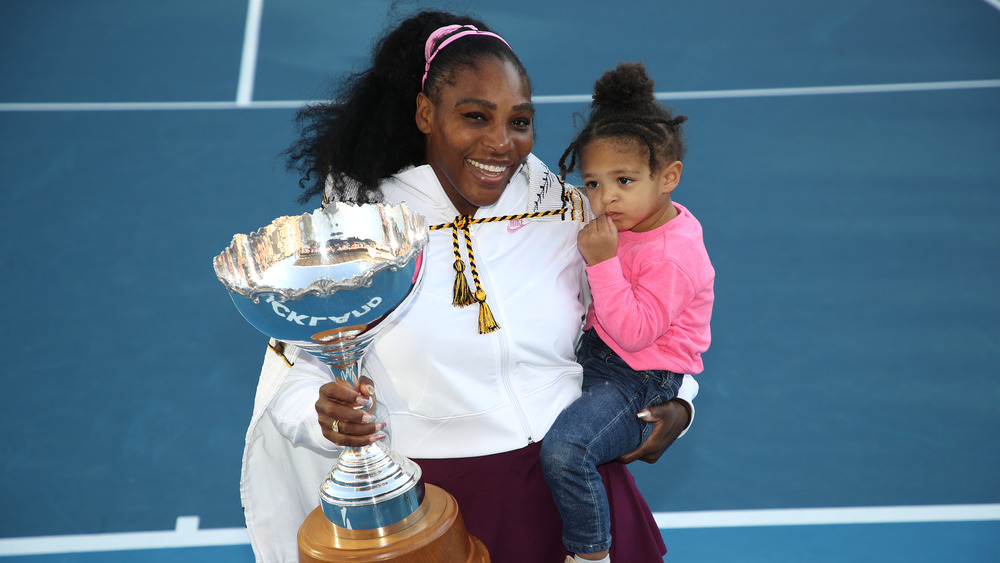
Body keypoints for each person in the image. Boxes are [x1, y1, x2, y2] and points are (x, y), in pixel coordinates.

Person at [240, 11, 700, 562]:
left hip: (578, 494)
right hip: (441, 513)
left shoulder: (569, 212)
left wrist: (680, 403)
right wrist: (323, 415)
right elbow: (300, 371)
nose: (501, 143)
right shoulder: (362, 233)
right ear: (426, 113)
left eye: (520, 121)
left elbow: (663, 307)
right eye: (476, 116)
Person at [539, 62, 715, 563]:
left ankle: (591, 554)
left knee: (567, 451)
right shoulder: (628, 219)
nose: (605, 197)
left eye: (623, 180)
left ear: (669, 177)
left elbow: (635, 333)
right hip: (598, 356)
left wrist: (603, 263)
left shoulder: (673, 255)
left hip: (639, 377)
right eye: (592, 183)